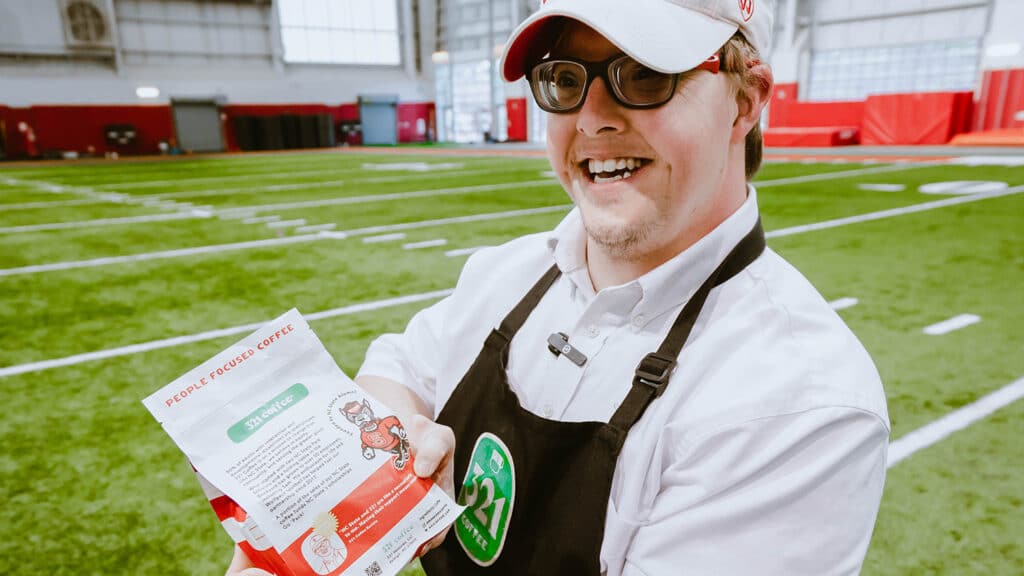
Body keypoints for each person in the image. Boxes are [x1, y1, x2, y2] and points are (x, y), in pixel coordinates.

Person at [230, 0, 889, 574]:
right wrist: (385, 431)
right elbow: (402, 365)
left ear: (745, 101)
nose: (592, 118)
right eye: (562, 80)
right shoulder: (508, 272)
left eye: (645, 74)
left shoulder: (794, 404)